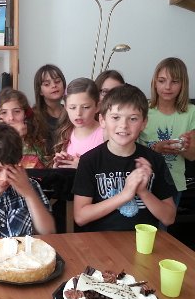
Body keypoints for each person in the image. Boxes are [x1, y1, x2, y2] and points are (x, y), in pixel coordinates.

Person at [73, 84, 176, 232]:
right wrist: (125, 195)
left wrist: (143, 192)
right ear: (102, 120)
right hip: (100, 241)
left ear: (144, 123)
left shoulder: (155, 160)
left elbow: (169, 218)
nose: (124, 125)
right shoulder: (89, 161)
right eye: (115, 117)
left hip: (142, 241)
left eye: (133, 119)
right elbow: (80, 217)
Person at [139, 57, 195, 207]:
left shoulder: (191, 112)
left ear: (183, 84)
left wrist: (184, 147)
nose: (168, 87)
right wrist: (155, 149)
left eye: (175, 81)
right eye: (162, 81)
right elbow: (131, 150)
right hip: (144, 180)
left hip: (174, 183)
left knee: (165, 222)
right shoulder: (142, 109)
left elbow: (192, 156)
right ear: (154, 83)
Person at [53, 77, 104, 169]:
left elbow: (113, 171)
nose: (78, 113)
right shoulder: (66, 132)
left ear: (97, 107)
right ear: (66, 107)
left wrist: (83, 166)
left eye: (86, 107)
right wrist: (60, 165)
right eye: (72, 107)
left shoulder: (105, 134)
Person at [0, 88, 49, 168]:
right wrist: (15, 136)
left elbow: (43, 166)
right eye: (4, 112)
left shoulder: (36, 137)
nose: (11, 118)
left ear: (25, 114)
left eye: (17, 111)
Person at [33, 64, 66, 150]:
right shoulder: (33, 116)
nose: (54, 85)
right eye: (47, 84)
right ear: (40, 91)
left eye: (57, 81)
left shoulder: (71, 112)